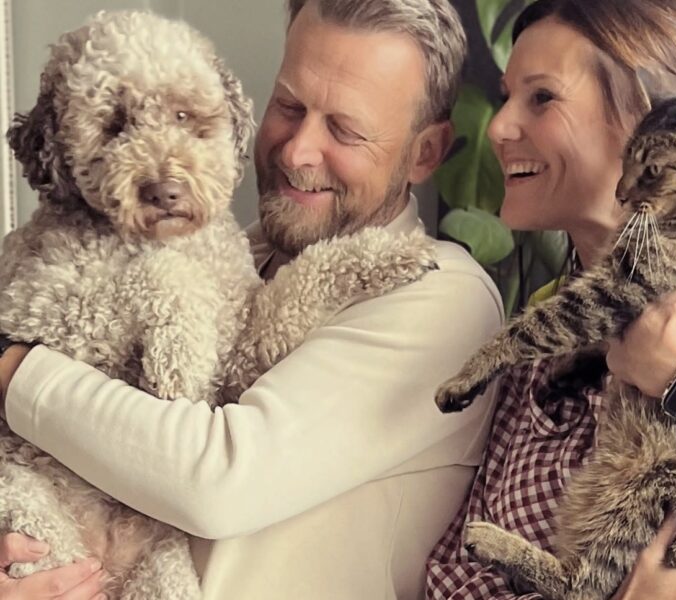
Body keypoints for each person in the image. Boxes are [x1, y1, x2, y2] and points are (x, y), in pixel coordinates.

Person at [0, 1, 504, 598]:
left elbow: (216, 480)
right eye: (289, 107)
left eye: (343, 129)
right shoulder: (221, 257)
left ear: (425, 152)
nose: (298, 151)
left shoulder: (441, 297)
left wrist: (12, 367)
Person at [426, 1, 676, 599]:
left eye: (542, 97)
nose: (497, 127)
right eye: (504, 96)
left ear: (642, 111)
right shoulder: (529, 372)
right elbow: (454, 582)